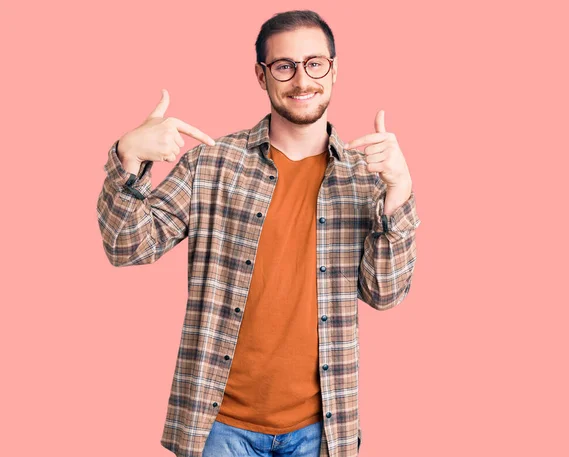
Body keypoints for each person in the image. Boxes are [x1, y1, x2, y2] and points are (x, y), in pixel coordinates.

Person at [96, 9, 421, 457]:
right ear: (261, 75)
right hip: (218, 427)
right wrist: (127, 158)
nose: (302, 80)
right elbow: (126, 247)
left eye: (315, 63)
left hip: (321, 427)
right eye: (284, 66)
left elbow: (385, 294)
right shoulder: (212, 164)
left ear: (334, 69)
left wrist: (399, 194)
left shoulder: (367, 179)